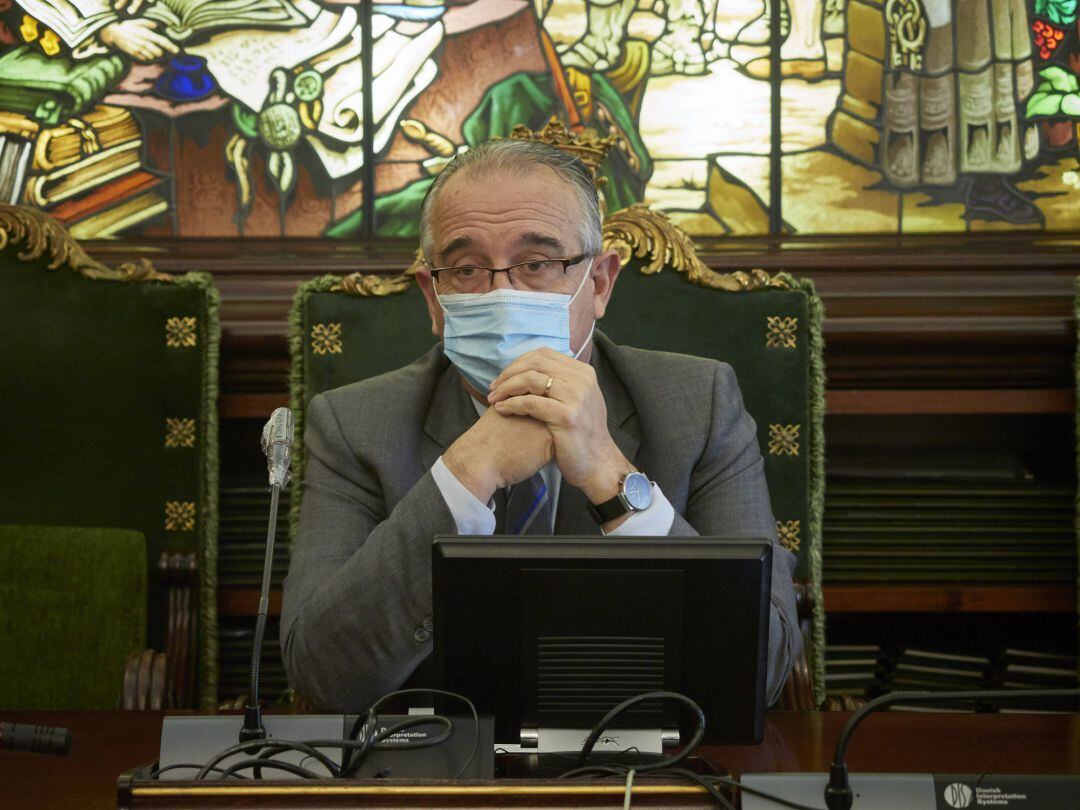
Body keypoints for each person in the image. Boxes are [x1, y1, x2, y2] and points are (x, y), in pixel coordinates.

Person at [281, 137, 801, 713]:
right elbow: (322, 675)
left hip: (643, 769)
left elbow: (766, 664)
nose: (502, 293)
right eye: (468, 268)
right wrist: (462, 477)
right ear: (434, 298)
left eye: (536, 264)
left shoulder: (699, 406)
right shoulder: (355, 425)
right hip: (436, 775)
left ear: (599, 283)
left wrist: (611, 475)